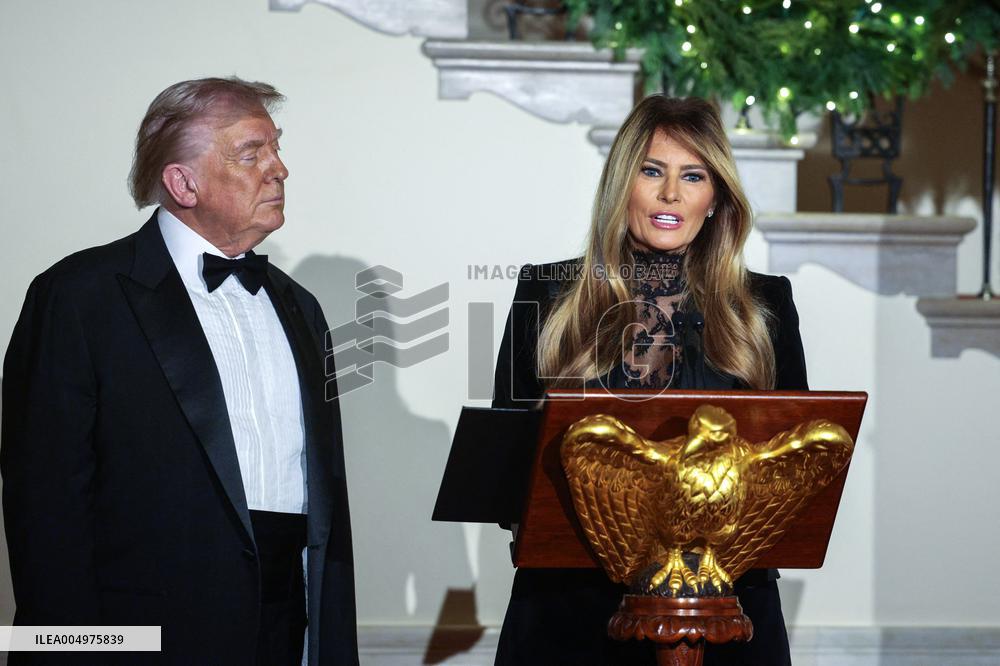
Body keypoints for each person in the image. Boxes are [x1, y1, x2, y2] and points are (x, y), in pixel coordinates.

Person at [1, 77, 358, 665]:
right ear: (183, 183)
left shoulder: (300, 306)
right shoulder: (79, 296)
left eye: (276, 148)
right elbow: (46, 506)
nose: (280, 170)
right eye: (252, 154)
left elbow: (322, 502)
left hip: (287, 627)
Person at [491, 95, 806, 665]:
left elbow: (797, 465)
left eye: (694, 176)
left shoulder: (765, 303)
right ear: (622, 183)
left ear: (716, 197)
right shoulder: (548, 292)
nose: (671, 194)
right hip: (569, 613)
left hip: (729, 609)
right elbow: (505, 462)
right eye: (652, 171)